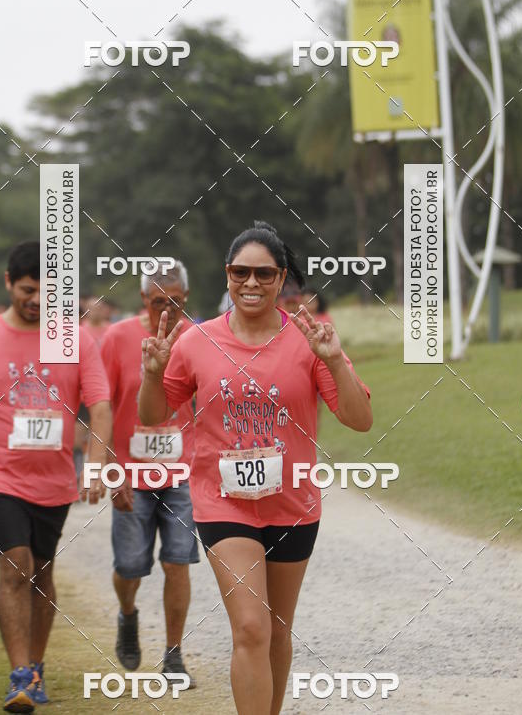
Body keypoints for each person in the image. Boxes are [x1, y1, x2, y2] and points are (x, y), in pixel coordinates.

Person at [138, 221, 372, 715]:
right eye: (240, 271)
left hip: (292, 508)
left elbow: (359, 419)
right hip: (223, 505)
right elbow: (153, 414)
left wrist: (333, 362)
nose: (251, 283)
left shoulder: (309, 340)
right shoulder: (197, 341)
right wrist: (154, 375)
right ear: (226, 275)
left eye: (263, 274)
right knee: (251, 627)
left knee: (276, 631)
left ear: (281, 278)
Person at [0, 241, 112, 713]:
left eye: (48, 293)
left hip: (53, 479)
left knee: (41, 572)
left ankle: (35, 668)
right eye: (27, 290)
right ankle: (20, 674)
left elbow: (99, 406)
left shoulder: (76, 339)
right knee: (15, 562)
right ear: (8, 283)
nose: (37, 301)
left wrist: (96, 464)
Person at [101, 261, 198, 685]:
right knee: (130, 566)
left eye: (175, 302)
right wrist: (108, 470)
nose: (168, 311)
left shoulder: (198, 337)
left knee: (178, 562)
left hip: (182, 471)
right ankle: (127, 615)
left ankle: (174, 656)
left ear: (186, 298)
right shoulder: (117, 337)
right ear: (143, 299)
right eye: (159, 302)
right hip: (130, 473)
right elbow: (99, 406)